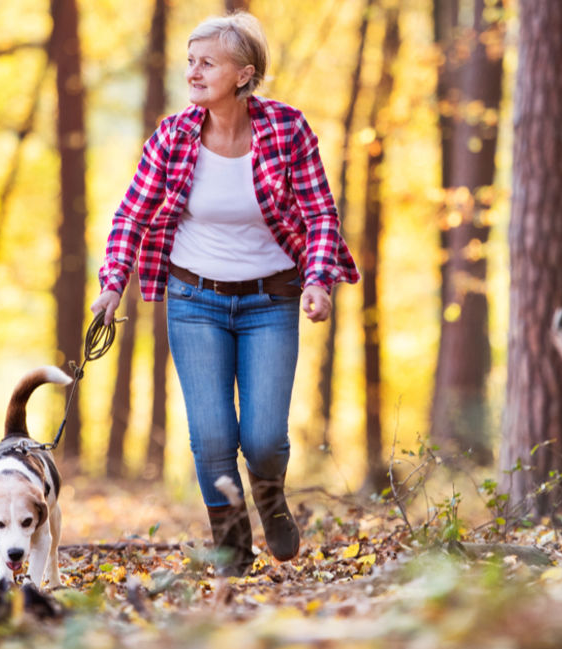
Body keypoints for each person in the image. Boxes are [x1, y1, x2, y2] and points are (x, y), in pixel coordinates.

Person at [90, 11, 359, 576]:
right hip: (195, 301)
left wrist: (317, 282)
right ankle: (233, 551)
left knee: (263, 439)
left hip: (271, 300)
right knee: (212, 436)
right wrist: (113, 285)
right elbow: (130, 216)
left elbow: (320, 215)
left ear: (243, 73)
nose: (193, 72)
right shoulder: (172, 136)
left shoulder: (288, 130)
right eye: (190, 61)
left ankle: (270, 497)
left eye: (206, 62)